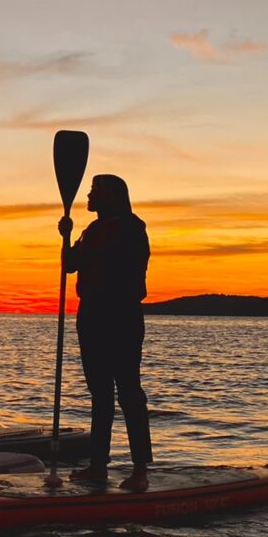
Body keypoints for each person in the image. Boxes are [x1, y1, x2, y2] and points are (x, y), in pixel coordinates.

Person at [58, 174, 153, 492]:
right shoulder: (91, 230)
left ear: (113, 195)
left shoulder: (132, 228)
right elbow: (70, 265)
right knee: (100, 394)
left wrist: (89, 254)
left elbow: (126, 267)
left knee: (128, 391)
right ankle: (98, 465)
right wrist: (66, 237)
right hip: (91, 315)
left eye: (95, 190)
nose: (88, 194)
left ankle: (140, 469)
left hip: (121, 315)